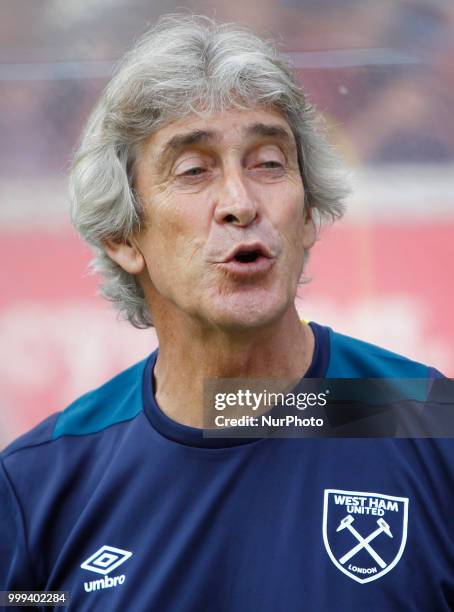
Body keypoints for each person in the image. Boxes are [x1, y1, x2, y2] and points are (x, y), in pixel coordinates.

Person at [1, 14, 453, 611]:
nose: (241, 203)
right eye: (194, 171)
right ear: (122, 235)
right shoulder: (41, 484)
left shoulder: (432, 428)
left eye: (268, 163)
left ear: (310, 212)